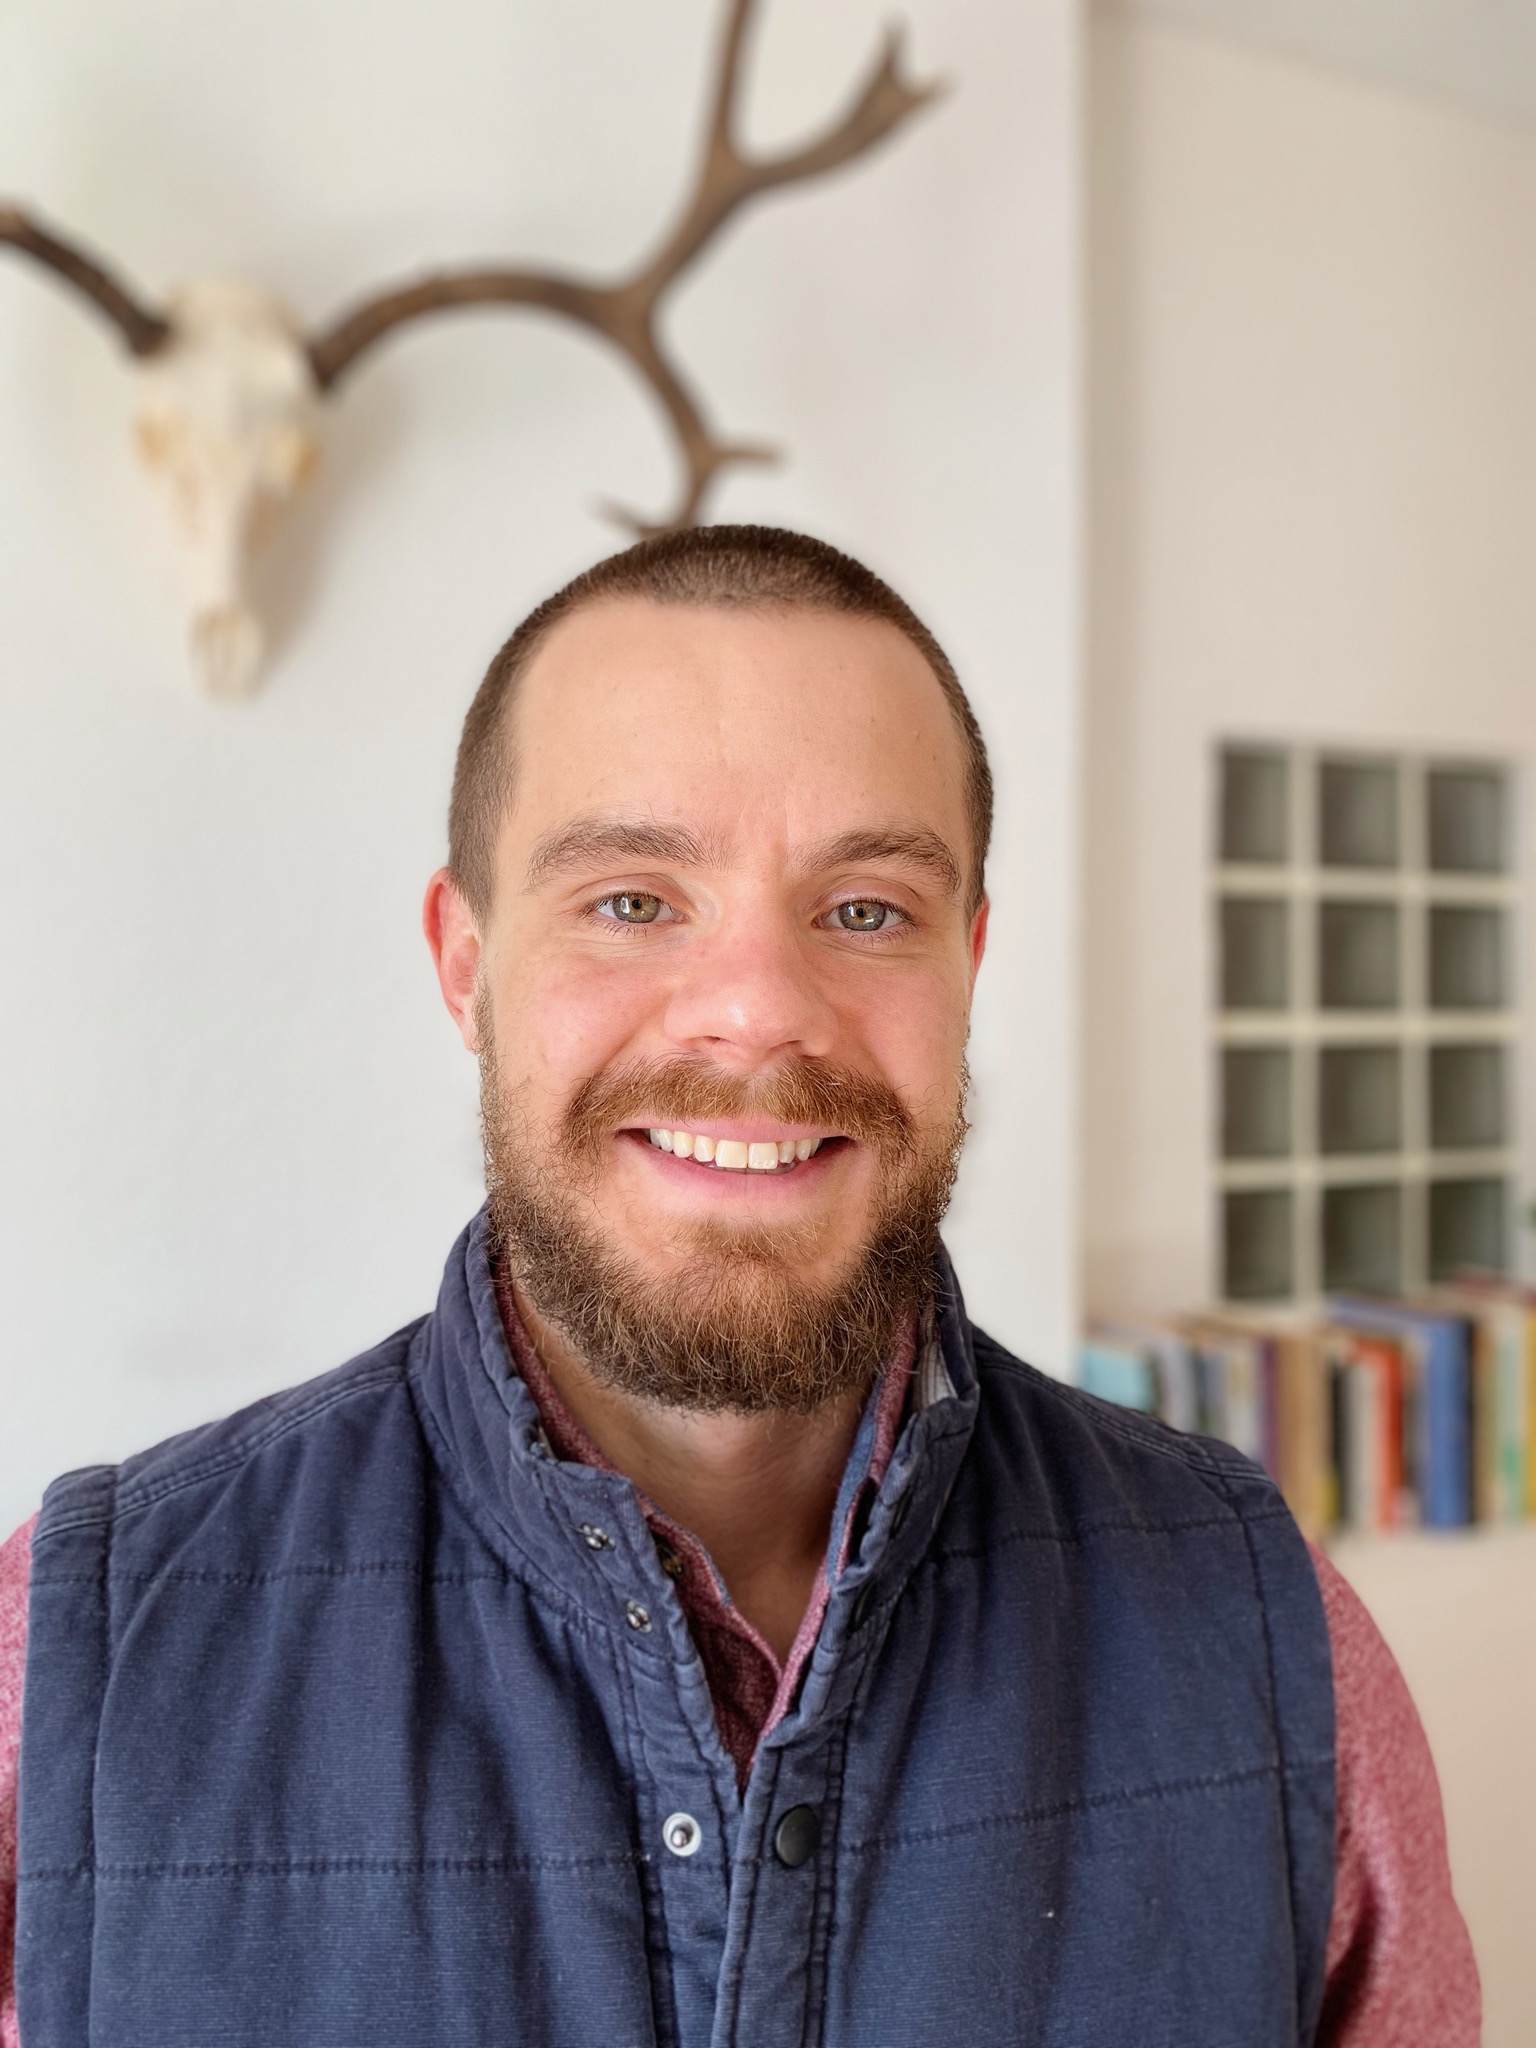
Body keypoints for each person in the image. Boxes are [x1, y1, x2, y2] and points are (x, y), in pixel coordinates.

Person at [0, 527, 1476, 2045]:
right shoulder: (62, 1669)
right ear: (465, 963)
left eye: (867, 910)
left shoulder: (1280, 1648)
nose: (761, 1010)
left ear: (969, 963)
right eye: (633, 901)